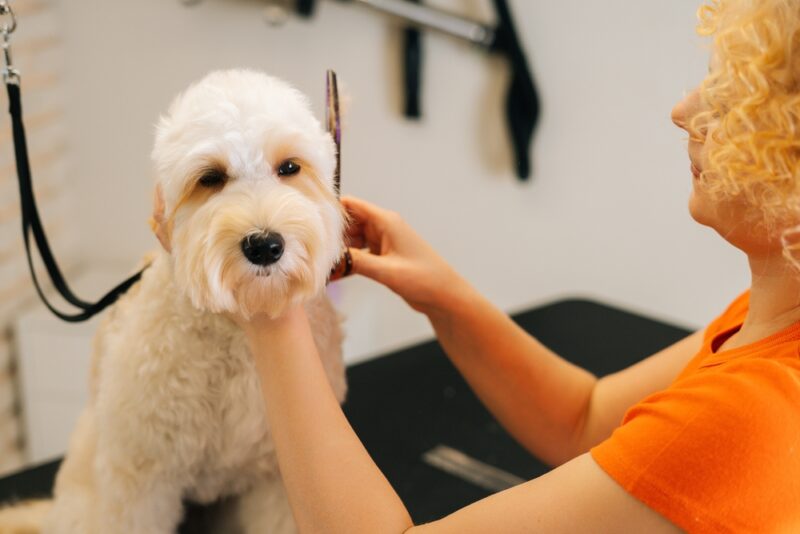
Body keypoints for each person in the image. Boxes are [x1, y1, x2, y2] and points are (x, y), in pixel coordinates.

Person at [232, 0, 800, 531]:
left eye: (732, 109)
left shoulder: (748, 415)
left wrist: (265, 299)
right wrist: (444, 298)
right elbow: (585, 421)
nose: (684, 112)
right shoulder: (772, 312)